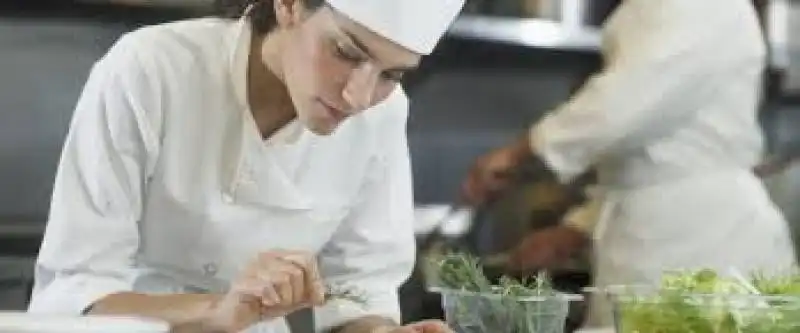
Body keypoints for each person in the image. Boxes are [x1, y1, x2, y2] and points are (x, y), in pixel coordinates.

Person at [26, 0, 465, 332]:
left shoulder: (382, 115)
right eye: (346, 52)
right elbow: (74, 293)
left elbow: (361, 289)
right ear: (289, 5)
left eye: (392, 75)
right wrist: (216, 312)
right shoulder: (151, 69)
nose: (358, 96)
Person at [460, 0, 797, 328]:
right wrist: (578, 228)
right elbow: (649, 158)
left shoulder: (703, 6)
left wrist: (519, 152)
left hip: (705, 240)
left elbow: (620, 107)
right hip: (658, 232)